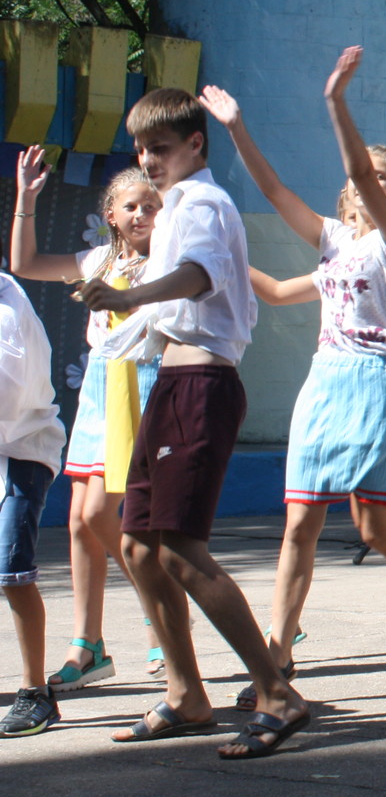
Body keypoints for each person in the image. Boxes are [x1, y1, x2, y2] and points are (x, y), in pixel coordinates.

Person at [204, 47, 386, 705]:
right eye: (357, 184)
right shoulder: (331, 242)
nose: (359, 188)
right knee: (299, 527)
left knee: (375, 527)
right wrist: (235, 128)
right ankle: (278, 654)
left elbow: (357, 167)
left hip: (373, 383)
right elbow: (273, 198)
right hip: (322, 384)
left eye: (376, 184)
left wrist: (336, 103)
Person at [81, 86, 310, 758]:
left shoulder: (204, 202)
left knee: (179, 545)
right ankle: (186, 695)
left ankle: (276, 692)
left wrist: (128, 294)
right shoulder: (179, 204)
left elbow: (196, 276)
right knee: (138, 545)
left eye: (160, 148)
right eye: (141, 149)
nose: (148, 160)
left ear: (194, 146)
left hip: (202, 382)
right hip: (174, 380)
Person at [11, 154, 166, 688]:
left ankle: (161, 617)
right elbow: (25, 264)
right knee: (80, 520)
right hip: (99, 388)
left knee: (105, 514)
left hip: (139, 385)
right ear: (111, 214)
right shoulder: (99, 258)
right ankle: (89, 645)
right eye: (133, 206)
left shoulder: (166, 262)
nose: (144, 214)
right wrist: (26, 202)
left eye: (153, 205)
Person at [0, 272, 69, 736]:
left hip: (21, 452)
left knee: (12, 572)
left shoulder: (9, 308)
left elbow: (7, 394)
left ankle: (35, 693)